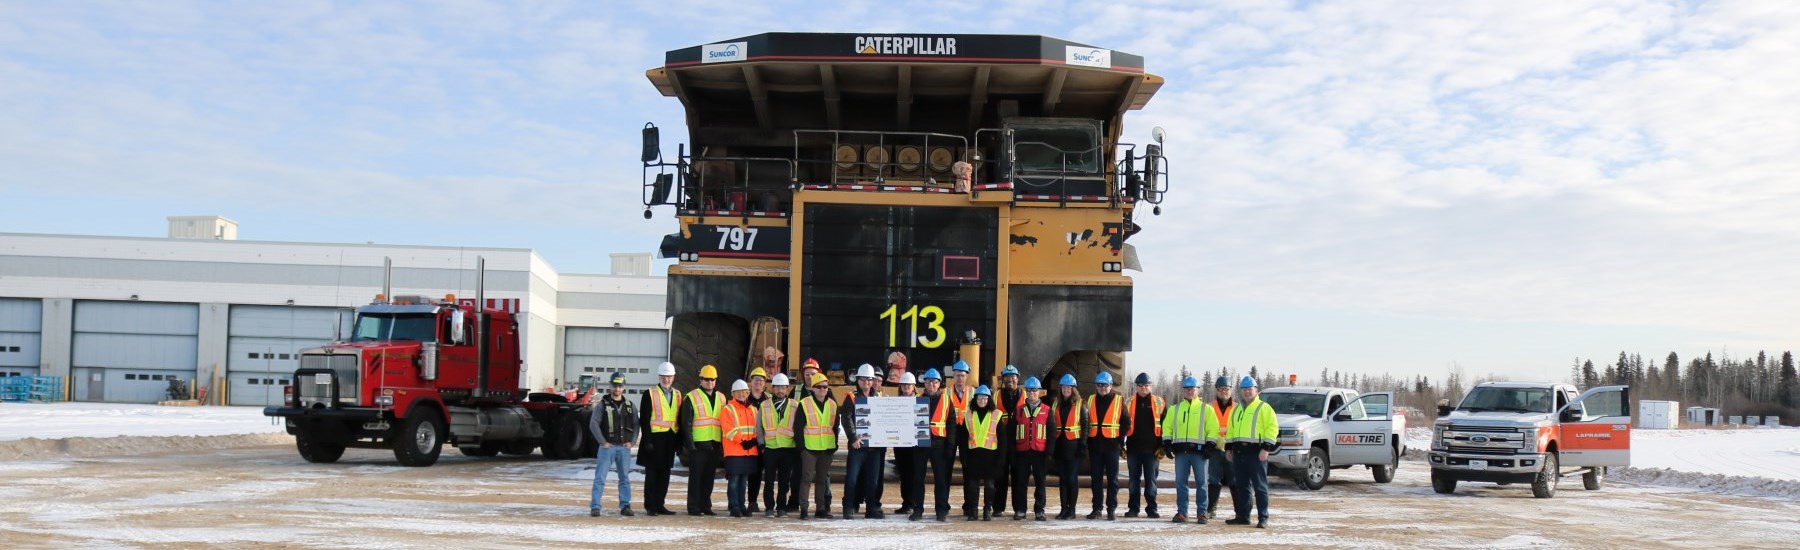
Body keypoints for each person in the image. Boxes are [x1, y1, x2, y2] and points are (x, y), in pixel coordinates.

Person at [1161, 376, 1220, 524]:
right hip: (1181, 453)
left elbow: (1213, 428)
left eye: (1192, 389)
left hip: (1200, 453)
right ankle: (1182, 512)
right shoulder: (1175, 409)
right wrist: (1167, 443)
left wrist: (1210, 446)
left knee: (1202, 483)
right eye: (1186, 389)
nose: (1189, 391)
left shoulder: (1206, 409)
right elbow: (1167, 427)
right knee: (1181, 482)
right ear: (1183, 391)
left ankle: (1202, 513)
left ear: (1197, 391)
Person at [1224, 375, 1279, 528]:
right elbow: (1231, 430)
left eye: (1250, 389)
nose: (1247, 392)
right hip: (1239, 453)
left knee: (1260, 487)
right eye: (1244, 389)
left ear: (1256, 390)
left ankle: (1263, 517)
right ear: (1241, 391)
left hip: (1256, 454)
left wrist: (1266, 448)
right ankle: (1243, 516)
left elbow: (1272, 428)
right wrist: (1228, 447)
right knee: (1242, 486)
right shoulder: (1236, 410)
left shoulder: (1264, 408)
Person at [840, 363, 886, 519]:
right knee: (852, 479)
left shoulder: (878, 398)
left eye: (869, 379)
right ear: (858, 380)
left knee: (872, 481)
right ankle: (848, 508)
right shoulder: (851, 397)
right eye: (863, 379)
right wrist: (853, 438)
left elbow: (882, 420)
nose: (866, 382)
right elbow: (846, 419)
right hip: (858, 447)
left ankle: (871, 509)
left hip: (874, 448)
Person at [636, 361, 683, 516]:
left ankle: (660, 504)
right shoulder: (650, 393)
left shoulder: (677, 394)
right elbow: (644, 419)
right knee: (652, 474)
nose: (666, 380)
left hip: (669, 438)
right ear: (659, 376)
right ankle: (650, 505)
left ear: (673, 377)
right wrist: (647, 440)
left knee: (665, 474)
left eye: (669, 377)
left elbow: (678, 419)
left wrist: (678, 442)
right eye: (663, 376)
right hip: (654, 439)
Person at [589, 372, 638, 517]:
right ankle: (595, 507)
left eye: (620, 386)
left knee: (624, 479)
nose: (617, 388)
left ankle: (625, 506)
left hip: (624, 448)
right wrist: (602, 442)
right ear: (610, 386)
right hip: (607, 448)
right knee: (600, 478)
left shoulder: (630, 406)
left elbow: (636, 425)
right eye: (615, 385)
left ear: (624, 387)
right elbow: (593, 424)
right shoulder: (602, 405)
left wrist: (633, 442)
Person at [680, 364, 726, 516]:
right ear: (700, 380)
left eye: (712, 380)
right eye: (706, 380)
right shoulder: (691, 397)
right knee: (696, 478)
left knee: (708, 478)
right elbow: (685, 423)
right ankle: (693, 507)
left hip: (714, 444)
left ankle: (706, 505)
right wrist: (690, 445)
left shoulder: (721, 397)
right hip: (698, 445)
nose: (710, 382)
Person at [1085, 371, 1131, 520]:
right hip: (1095, 447)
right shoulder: (1090, 400)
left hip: (1111, 447)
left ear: (1111, 386)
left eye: (1105, 385)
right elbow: (1085, 422)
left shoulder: (1118, 401)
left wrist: (1119, 440)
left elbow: (1126, 422)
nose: (1102, 388)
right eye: (1099, 385)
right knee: (1096, 479)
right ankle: (1097, 508)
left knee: (1113, 480)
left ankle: (1111, 508)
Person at [795, 372, 841, 520]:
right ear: (813, 389)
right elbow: (798, 427)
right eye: (819, 387)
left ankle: (820, 509)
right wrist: (801, 448)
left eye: (825, 387)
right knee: (806, 478)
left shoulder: (833, 405)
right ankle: (804, 509)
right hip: (809, 448)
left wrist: (834, 445)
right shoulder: (804, 403)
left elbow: (835, 427)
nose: (822, 389)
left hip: (826, 448)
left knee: (822, 480)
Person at [1124, 372, 1166, 519]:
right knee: (1133, 482)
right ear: (1136, 386)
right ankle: (1133, 509)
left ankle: (1152, 509)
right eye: (1141, 386)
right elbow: (1122, 425)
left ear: (1151, 386)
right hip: (1133, 450)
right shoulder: (1128, 403)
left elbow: (1165, 427)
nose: (1143, 388)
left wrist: (1162, 446)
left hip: (1152, 451)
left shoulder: (1159, 403)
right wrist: (1121, 446)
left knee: (1151, 482)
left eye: (1146, 385)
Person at [758, 373, 800, 518]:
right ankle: (769, 507)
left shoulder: (795, 405)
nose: (780, 390)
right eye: (777, 387)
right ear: (772, 388)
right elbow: (759, 427)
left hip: (788, 449)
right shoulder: (764, 405)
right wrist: (762, 445)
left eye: (783, 387)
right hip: (770, 448)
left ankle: (781, 507)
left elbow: (799, 427)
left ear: (788, 389)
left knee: (784, 481)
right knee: (769, 480)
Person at [1010, 376, 1052, 521]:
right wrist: (1013, 453)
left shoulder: (1047, 410)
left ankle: (1039, 510)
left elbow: (1051, 433)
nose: (1032, 393)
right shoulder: (1019, 410)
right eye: (1029, 390)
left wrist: (1049, 453)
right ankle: (1021, 510)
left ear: (1039, 392)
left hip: (1040, 453)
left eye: (1034, 390)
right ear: (1026, 392)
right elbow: (1011, 433)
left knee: (1040, 482)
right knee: (1021, 482)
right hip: (1022, 452)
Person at [922, 368, 960, 522]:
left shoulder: (946, 400)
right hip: (921, 444)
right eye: (929, 381)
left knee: (941, 479)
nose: (931, 384)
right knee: (918, 478)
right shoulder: (918, 399)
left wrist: (950, 446)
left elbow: (951, 424)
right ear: (924, 383)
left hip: (939, 443)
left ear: (939, 384)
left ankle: (941, 510)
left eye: (935, 382)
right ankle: (918, 509)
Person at [961, 385, 1002, 521]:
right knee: (973, 486)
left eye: (985, 398)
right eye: (980, 398)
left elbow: (1003, 440)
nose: (982, 400)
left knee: (990, 486)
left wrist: (1000, 459)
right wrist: (963, 457)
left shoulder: (996, 414)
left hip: (991, 456)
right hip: (974, 456)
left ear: (989, 399)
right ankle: (973, 511)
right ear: (975, 399)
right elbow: (963, 439)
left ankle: (987, 509)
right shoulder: (968, 414)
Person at [722, 379, 761, 518]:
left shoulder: (753, 409)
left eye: (744, 392)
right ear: (733, 394)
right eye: (738, 392)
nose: (741, 395)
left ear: (748, 393)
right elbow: (728, 429)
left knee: (743, 481)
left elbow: (758, 427)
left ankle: (742, 505)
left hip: (749, 451)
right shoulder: (728, 409)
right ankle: (734, 507)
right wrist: (743, 440)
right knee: (734, 481)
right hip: (734, 450)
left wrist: (753, 440)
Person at [1050, 373, 1085, 520]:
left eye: (1069, 387)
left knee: (1072, 479)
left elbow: (1085, 425)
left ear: (1073, 389)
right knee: (1063, 480)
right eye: (1064, 387)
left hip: (1073, 446)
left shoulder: (1080, 404)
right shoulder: (1056, 403)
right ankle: (1064, 509)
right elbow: (1051, 425)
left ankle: (1072, 510)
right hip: (1060, 446)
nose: (1066, 390)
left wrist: (1082, 445)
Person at [893, 371, 927, 520]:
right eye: (904, 385)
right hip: (900, 443)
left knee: (915, 473)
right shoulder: (893, 403)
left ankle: (914, 502)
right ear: (901, 386)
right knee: (904, 473)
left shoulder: (921, 401)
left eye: (909, 385)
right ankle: (906, 502)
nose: (906, 387)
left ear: (914, 387)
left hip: (915, 444)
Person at [992, 365, 1024, 515]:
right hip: (1000, 443)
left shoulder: (1025, 396)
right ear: (1002, 379)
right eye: (1007, 377)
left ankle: (1019, 509)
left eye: (1013, 377)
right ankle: (998, 508)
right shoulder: (996, 396)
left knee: (1018, 477)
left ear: (1018, 378)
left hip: (1019, 443)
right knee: (1000, 476)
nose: (1010, 380)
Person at [1208, 376, 1236, 518]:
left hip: (1231, 450)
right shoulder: (1210, 408)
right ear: (1216, 390)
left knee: (1234, 480)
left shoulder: (1237, 408)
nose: (1223, 392)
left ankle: (1240, 512)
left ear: (1231, 390)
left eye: (1226, 389)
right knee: (1213, 480)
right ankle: (1211, 509)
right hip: (1215, 450)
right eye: (1220, 389)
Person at [745, 367, 770, 514]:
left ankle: (760, 502)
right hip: (747, 442)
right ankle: (748, 502)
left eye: (761, 380)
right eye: (756, 380)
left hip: (765, 442)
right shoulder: (745, 399)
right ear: (751, 382)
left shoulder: (769, 400)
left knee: (761, 474)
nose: (758, 383)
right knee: (748, 474)